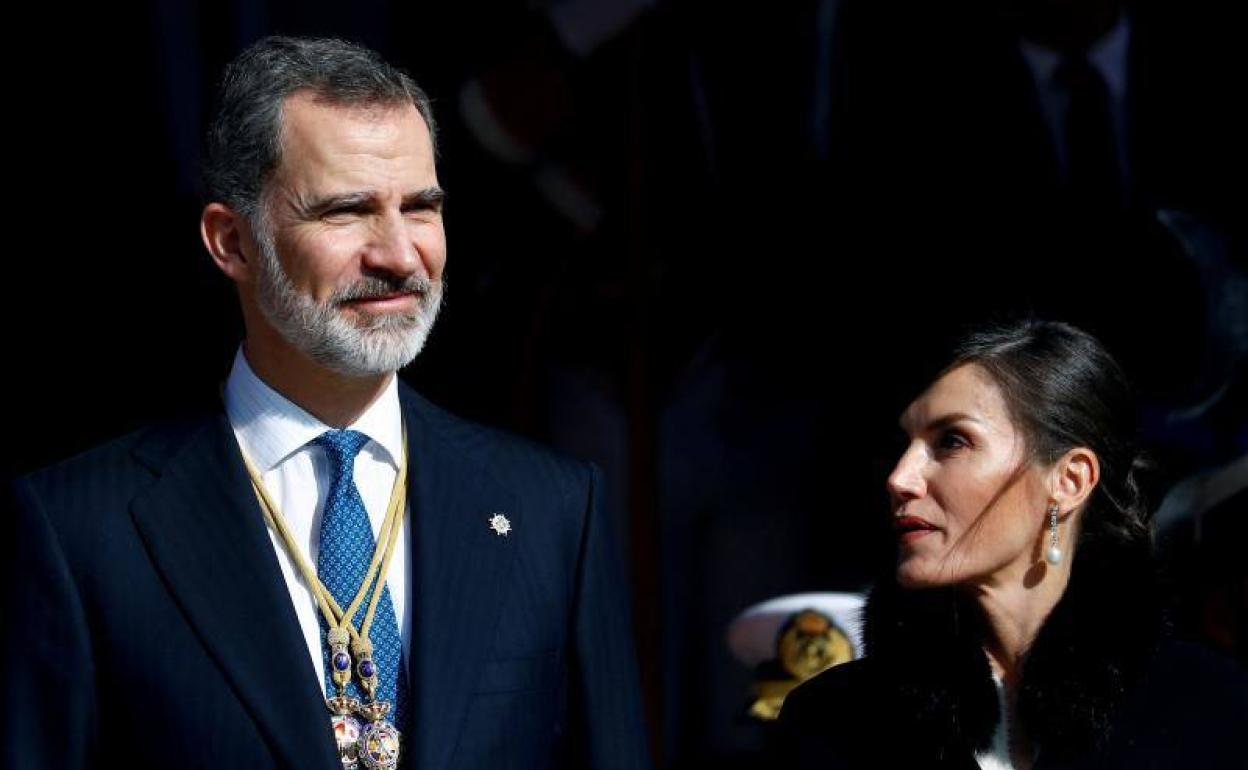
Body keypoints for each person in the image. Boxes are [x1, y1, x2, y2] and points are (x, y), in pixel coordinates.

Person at [5, 36, 649, 770]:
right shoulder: (82, 531)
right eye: (347, 212)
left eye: (420, 207)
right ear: (232, 242)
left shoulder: (555, 510)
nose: (400, 255)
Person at [778, 320, 1247, 769]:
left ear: (1069, 479)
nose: (900, 478)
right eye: (906, 444)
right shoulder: (832, 722)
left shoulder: (1214, 709)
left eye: (952, 441)